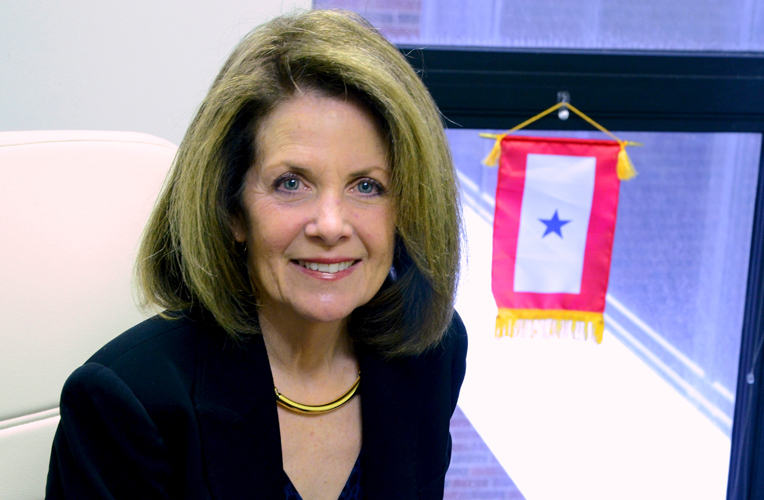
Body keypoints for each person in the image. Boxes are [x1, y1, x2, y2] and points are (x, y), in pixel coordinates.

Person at [45, 9, 466, 500]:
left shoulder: (429, 352)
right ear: (232, 209)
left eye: (367, 186)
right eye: (291, 183)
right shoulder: (126, 403)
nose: (331, 225)